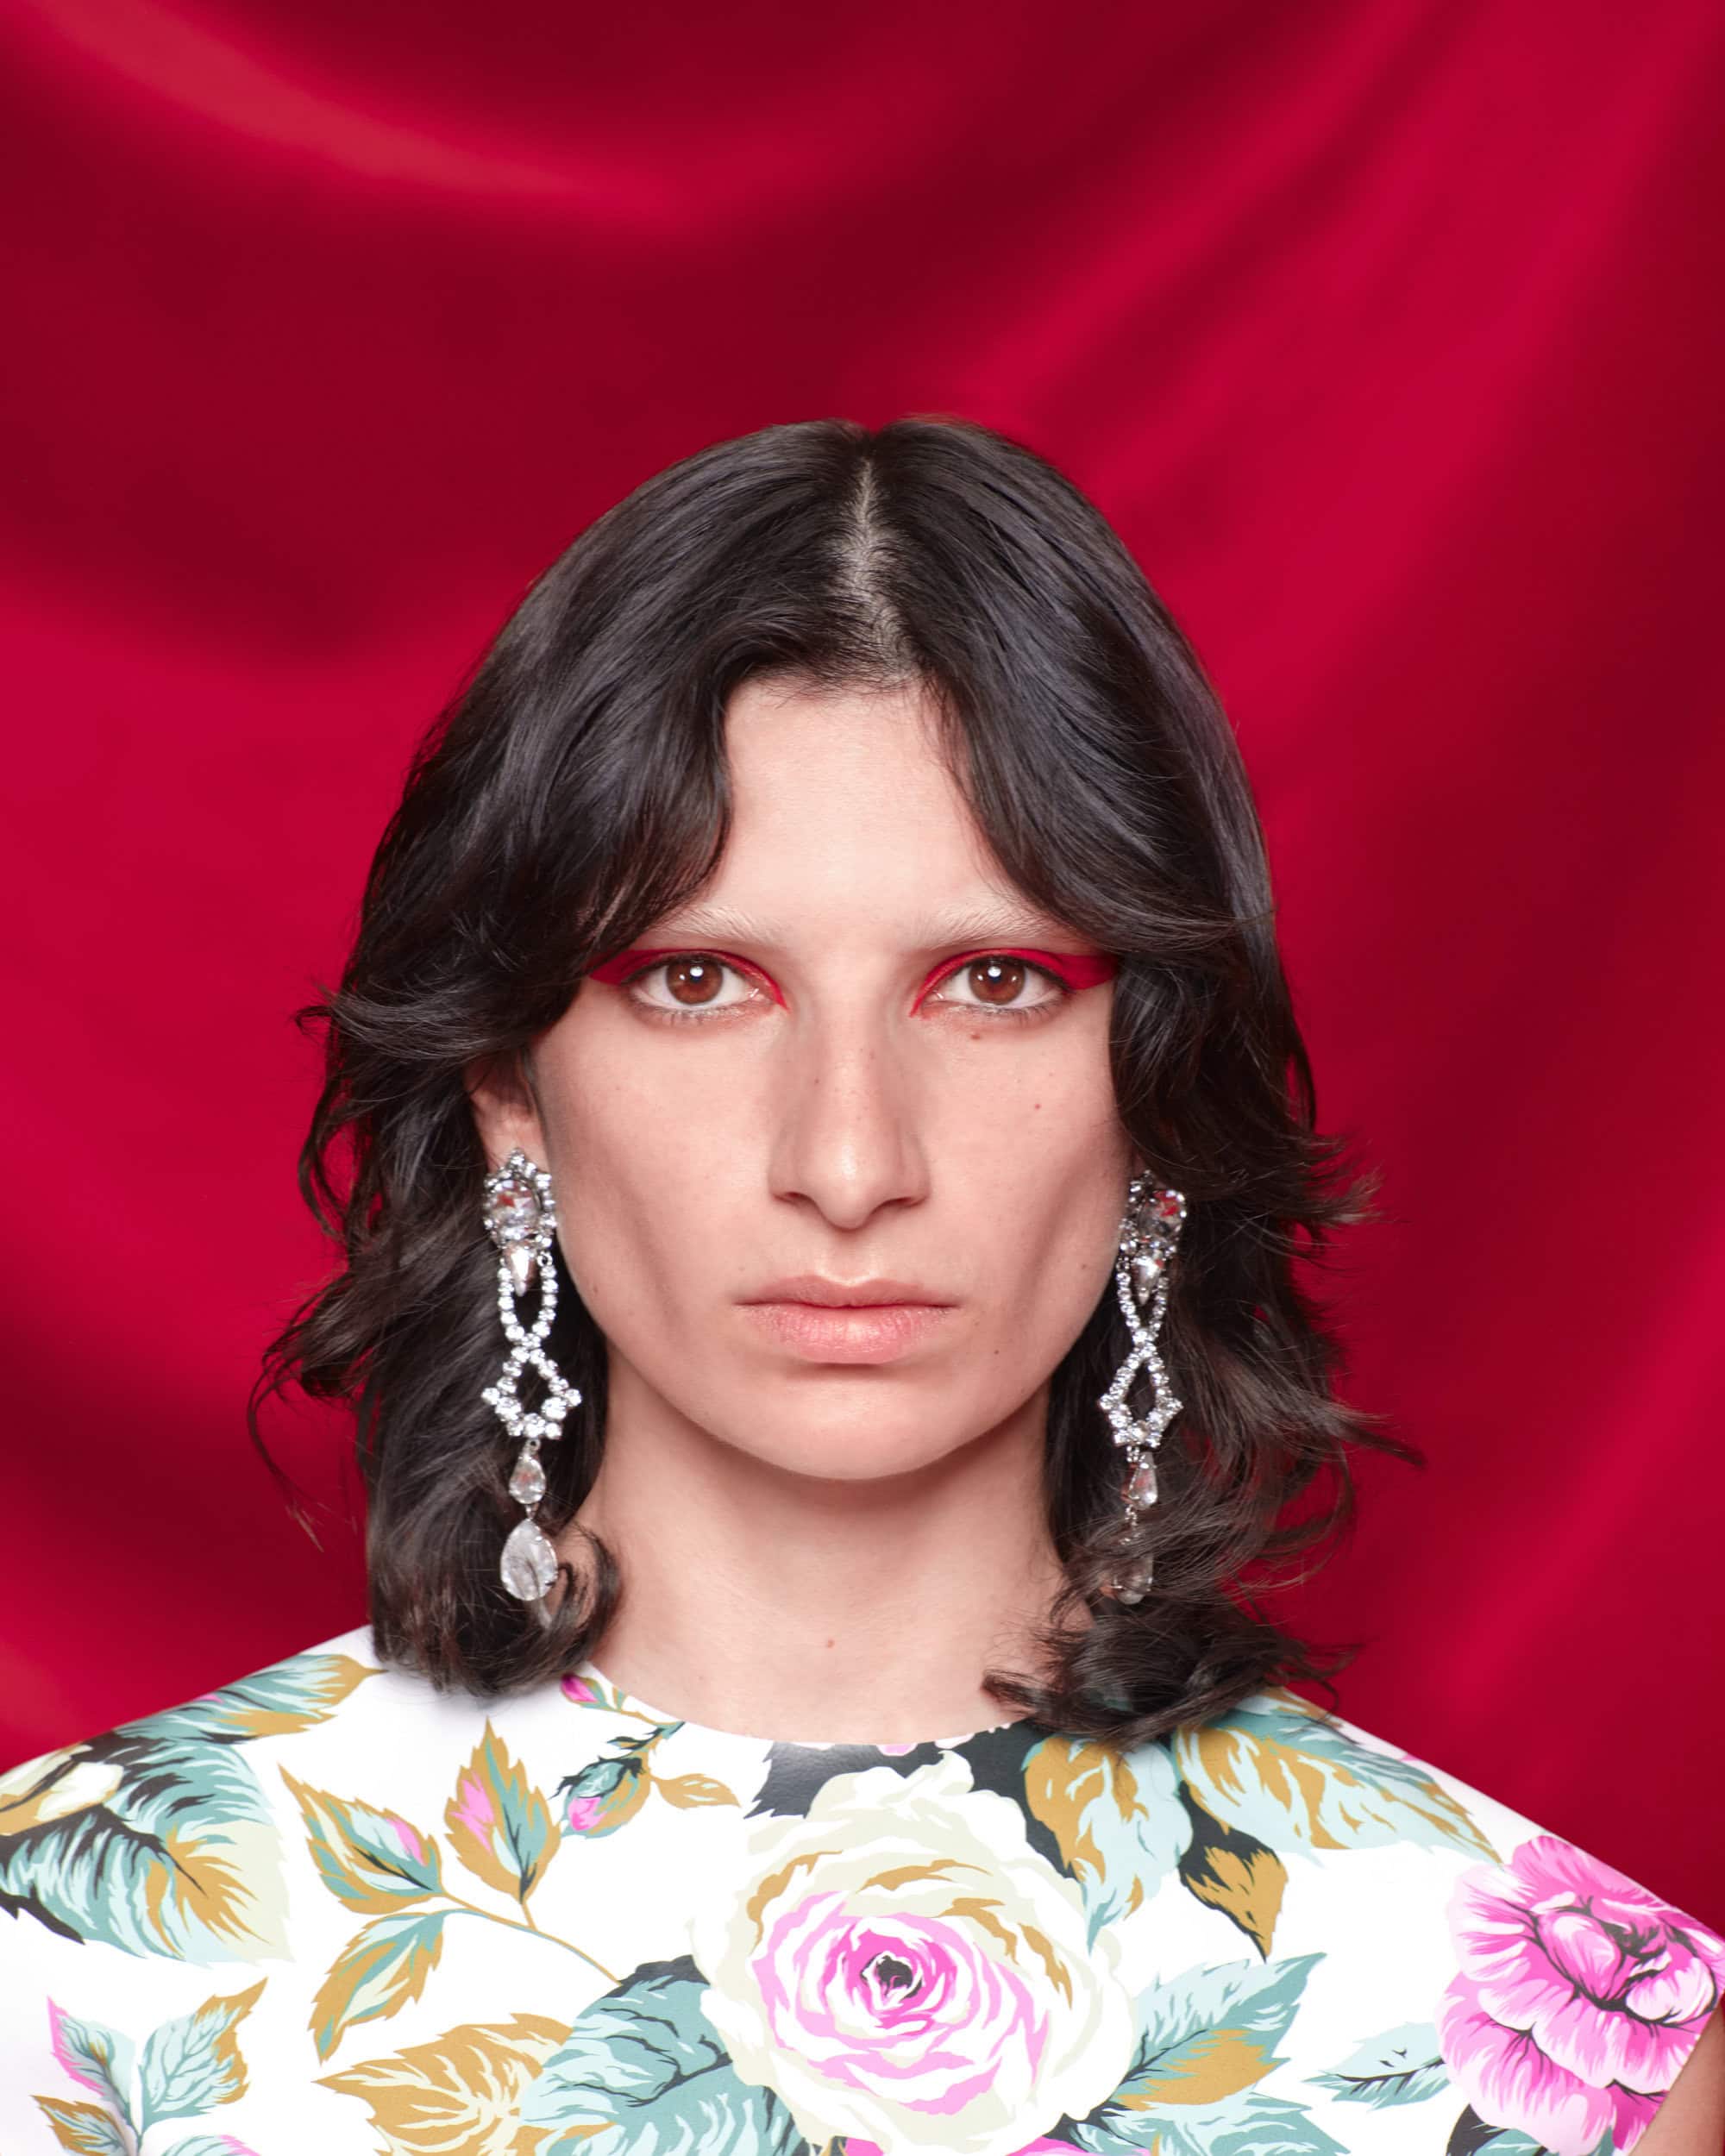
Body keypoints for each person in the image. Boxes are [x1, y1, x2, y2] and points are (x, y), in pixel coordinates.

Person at [1, 417, 1718, 2153]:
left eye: (992, 981)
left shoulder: (1555, 2056)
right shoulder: (62, 1980)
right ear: (510, 1088)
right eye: (697, 980)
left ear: (1155, 1090)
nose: (845, 1159)